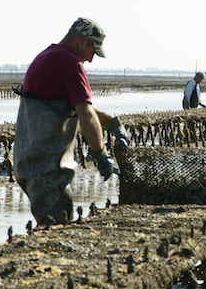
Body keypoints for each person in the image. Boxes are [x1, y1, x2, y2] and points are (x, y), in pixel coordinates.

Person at [13, 17, 129, 227]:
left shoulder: (47, 57)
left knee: (54, 224)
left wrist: (111, 122)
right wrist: (100, 154)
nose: (91, 60)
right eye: (93, 52)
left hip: (32, 163)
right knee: (55, 229)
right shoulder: (69, 63)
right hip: (48, 168)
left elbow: (76, 106)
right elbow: (85, 114)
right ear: (82, 42)